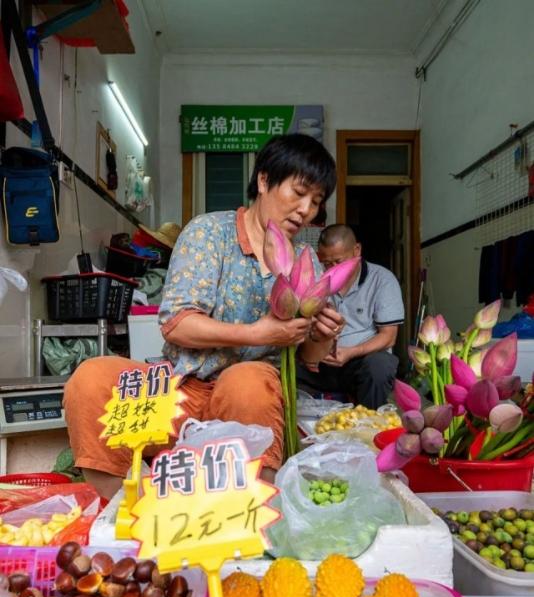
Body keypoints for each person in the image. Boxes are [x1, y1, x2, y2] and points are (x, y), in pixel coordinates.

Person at [64, 134, 345, 498]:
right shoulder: (209, 232)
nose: (306, 210)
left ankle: (252, 505)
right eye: (299, 192)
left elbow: (305, 358)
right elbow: (177, 323)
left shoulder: (304, 257)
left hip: (249, 402)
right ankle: (123, 504)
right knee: (91, 380)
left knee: (248, 381)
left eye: (316, 201)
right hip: (179, 390)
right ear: (263, 180)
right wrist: (259, 333)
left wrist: (320, 337)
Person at [297, 224, 404, 408]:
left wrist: (350, 353)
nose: (332, 269)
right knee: (282, 365)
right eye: (326, 263)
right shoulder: (314, 278)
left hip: (360, 362)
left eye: (338, 262)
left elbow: (389, 337)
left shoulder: (382, 280)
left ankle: (369, 427)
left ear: (357, 250)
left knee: (380, 366)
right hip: (321, 363)